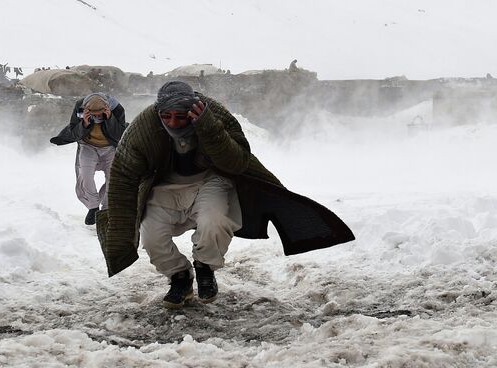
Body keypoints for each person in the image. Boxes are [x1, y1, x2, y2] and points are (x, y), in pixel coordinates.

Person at [96, 81, 354, 309]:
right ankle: (179, 277)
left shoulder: (214, 113)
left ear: (192, 110)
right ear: (158, 112)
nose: (173, 123)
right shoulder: (143, 128)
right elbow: (123, 176)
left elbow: (237, 162)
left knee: (214, 222)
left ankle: (205, 267)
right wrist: (120, 229)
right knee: (151, 235)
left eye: (180, 116)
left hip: (210, 180)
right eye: (167, 116)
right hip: (164, 187)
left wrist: (207, 126)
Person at [50, 93, 127, 225]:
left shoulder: (116, 109)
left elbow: (120, 134)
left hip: (109, 147)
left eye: (99, 115)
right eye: (94, 115)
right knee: (84, 175)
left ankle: (106, 210)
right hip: (88, 146)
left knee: (114, 179)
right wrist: (84, 123)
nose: (97, 117)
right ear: (86, 110)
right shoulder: (80, 106)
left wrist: (110, 119)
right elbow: (74, 132)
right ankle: (93, 207)